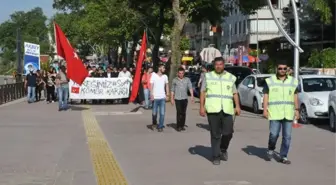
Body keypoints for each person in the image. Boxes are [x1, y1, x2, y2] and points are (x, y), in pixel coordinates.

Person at [199, 57, 241, 165]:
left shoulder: (230, 77)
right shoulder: (208, 77)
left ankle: (223, 149)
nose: (218, 66)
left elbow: (234, 93)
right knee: (215, 134)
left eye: (220, 64)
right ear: (214, 65)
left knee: (228, 132)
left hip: (227, 109)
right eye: (216, 64)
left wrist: (237, 106)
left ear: (224, 65)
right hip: (213, 109)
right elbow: (203, 92)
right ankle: (216, 156)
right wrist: (201, 107)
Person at [263, 62, 299, 165]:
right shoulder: (270, 81)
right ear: (276, 69)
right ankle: (271, 149)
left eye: (284, 68)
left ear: (287, 69)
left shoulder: (293, 81)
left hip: (288, 113)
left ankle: (283, 156)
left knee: (287, 137)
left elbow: (295, 96)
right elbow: (266, 96)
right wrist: (265, 109)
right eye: (280, 68)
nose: (282, 70)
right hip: (274, 113)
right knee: (274, 135)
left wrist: (297, 110)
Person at [170, 67, 194, 131]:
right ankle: (178, 126)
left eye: (182, 73)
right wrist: (171, 99)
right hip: (177, 99)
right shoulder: (174, 80)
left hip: (184, 98)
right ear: (178, 73)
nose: (181, 74)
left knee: (183, 112)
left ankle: (182, 125)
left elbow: (190, 88)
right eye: (180, 73)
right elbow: (172, 90)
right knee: (179, 112)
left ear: (184, 73)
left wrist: (192, 96)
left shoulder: (187, 79)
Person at [150, 64, 169, 132]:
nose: (164, 69)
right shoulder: (153, 75)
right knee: (154, 113)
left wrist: (167, 95)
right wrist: (151, 94)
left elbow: (167, 86)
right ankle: (154, 123)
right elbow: (151, 85)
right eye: (163, 67)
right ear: (159, 68)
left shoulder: (165, 76)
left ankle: (160, 126)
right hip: (155, 98)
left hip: (162, 98)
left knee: (162, 113)